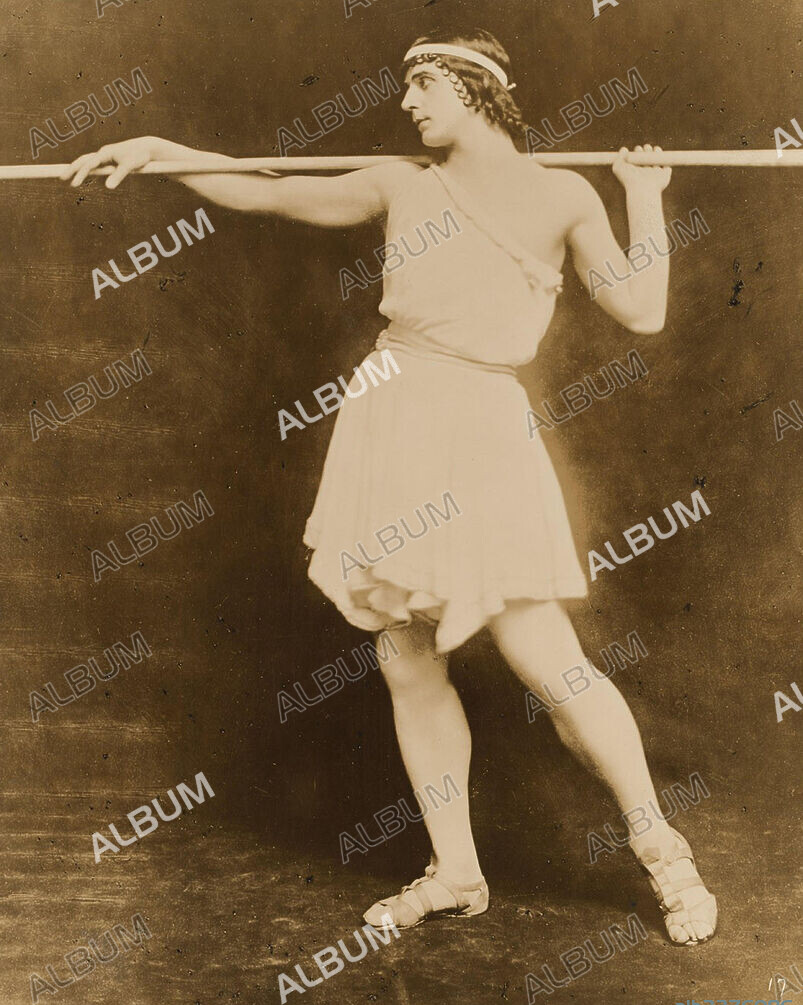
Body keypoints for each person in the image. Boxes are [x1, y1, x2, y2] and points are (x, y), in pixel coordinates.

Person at [62, 27, 717, 946]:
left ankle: (660, 848)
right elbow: (263, 192)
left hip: (481, 431)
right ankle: (456, 870)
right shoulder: (400, 183)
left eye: (421, 87)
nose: (406, 105)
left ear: (473, 89)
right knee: (406, 656)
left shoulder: (562, 195)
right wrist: (163, 154)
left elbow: (642, 308)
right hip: (391, 415)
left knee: (549, 661)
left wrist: (645, 199)